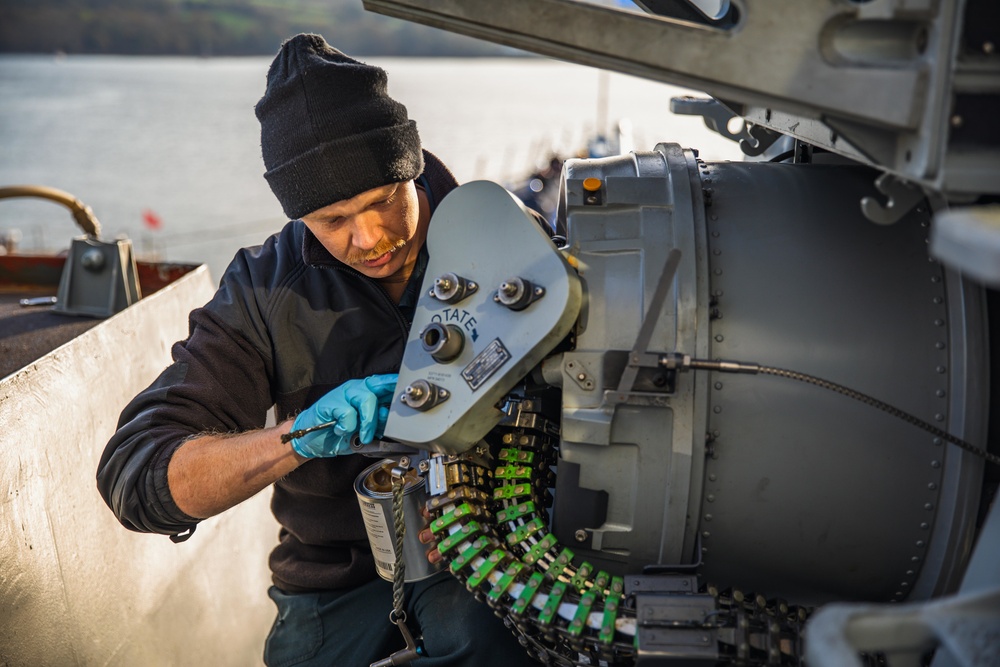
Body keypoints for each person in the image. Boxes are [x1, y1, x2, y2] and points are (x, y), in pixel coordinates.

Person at [97, 33, 536, 667]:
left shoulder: (511, 245)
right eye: (332, 221)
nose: (369, 238)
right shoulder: (262, 289)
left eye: (384, 201)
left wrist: (490, 506)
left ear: (409, 167)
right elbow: (136, 475)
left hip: (490, 554)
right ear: (297, 214)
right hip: (334, 583)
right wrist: (299, 436)